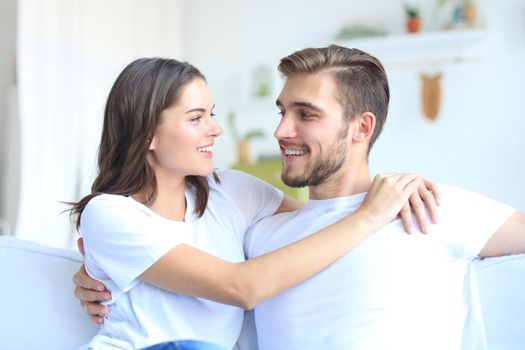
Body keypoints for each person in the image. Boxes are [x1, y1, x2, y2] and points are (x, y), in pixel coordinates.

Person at [76, 46, 525, 350]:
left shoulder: (428, 207)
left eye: (305, 114)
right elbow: (239, 286)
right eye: (282, 111)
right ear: (146, 132)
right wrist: (100, 268)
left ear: (362, 128)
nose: (280, 131)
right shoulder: (264, 232)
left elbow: (318, 224)